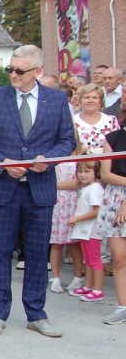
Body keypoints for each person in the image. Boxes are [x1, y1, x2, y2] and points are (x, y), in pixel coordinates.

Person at [0, 44, 76, 337]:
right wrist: (3, 163)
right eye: (10, 68)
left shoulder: (56, 100)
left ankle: (36, 313)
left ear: (38, 71)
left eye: (19, 70)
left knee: (37, 253)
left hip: (39, 189)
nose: (13, 74)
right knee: (1, 252)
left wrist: (48, 159)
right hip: (3, 187)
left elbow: (68, 140)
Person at [96, 126, 126, 324]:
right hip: (115, 199)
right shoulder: (114, 137)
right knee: (119, 258)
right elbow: (105, 174)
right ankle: (122, 306)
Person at [49, 134, 85, 294]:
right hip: (56, 203)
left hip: (74, 203)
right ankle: (55, 278)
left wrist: (53, 185)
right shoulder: (53, 154)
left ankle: (78, 277)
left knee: (74, 243)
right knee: (56, 242)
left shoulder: (80, 156)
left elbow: (77, 182)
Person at [66, 160, 104, 302]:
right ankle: (89, 286)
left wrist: (77, 218)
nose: (82, 175)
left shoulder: (95, 188)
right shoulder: (85, 188)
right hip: (84, 230)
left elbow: (97, 211)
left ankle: (98, 290)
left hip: (92, 230)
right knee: (88, 260)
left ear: (96, 172)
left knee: (95, 261)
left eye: (87, 171)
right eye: (80, 171)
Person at [74, 83, 120, 152]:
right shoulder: (71, 121)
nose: (90, 101)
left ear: (100, 101)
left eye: (95, 98)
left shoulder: (111, 120)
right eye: (86, 97)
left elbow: (118, 145)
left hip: (107, 161)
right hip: (80, 161)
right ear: (80, 101)